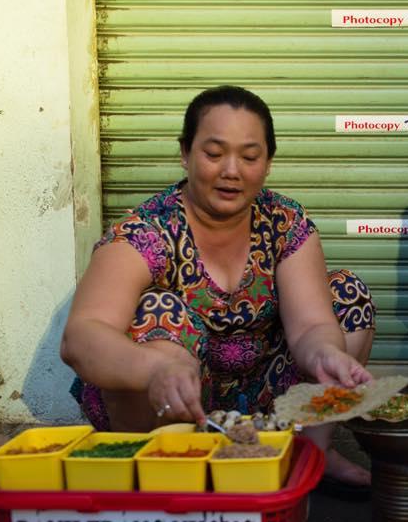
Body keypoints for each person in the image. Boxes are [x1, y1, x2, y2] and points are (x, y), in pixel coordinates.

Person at [61, 85, 376, 494]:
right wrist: (155, 370)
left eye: (249, 157)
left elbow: (312, 324)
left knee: (347, 293)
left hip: (262, 393)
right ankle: (169, 471)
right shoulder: (146, 233)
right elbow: (81, 336)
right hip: (172, 397)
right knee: (158, 308)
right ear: (185, 153)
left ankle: (309, 453)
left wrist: (326, 354)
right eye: (214, 153)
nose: (231, 170)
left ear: (268, 163)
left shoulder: (284, 223)